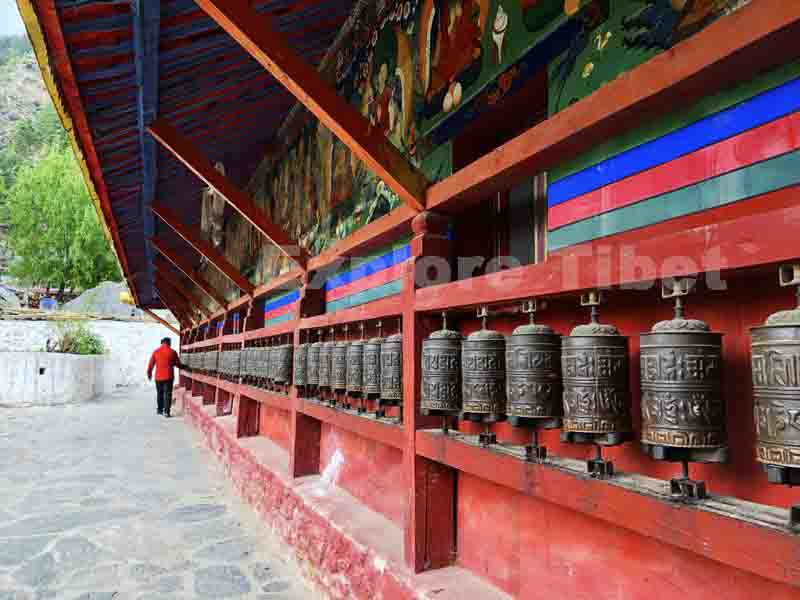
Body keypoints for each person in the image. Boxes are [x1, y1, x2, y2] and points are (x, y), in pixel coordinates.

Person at [147, 337, 181, 417]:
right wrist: (184, 367)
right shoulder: (173, 352)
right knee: (168, 394)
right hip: (169, 376)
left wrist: (149, 374)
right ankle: (166, 412)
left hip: (158, 377)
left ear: (161, 343)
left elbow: (151, 364)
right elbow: (177, 364)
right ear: (169, 343)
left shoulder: (156, 352)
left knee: (160, 393)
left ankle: (159, 410)